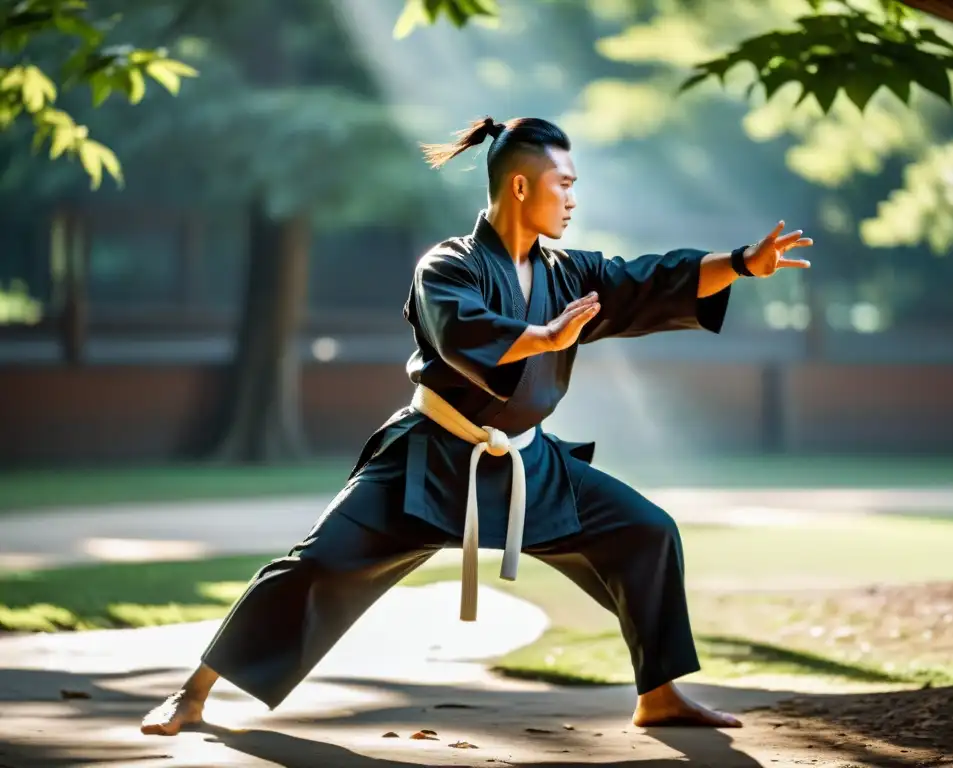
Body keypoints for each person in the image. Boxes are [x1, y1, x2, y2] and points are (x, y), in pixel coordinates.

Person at [141, 115, 812, 737]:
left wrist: (741, 263)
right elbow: (462, 331)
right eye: (564, 184)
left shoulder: (570, 271)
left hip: (528, 465)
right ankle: (194, 691)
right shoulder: (447, 264)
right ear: (521, 186)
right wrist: (540, 335)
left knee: (646, 532)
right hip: (429, 462)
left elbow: (647, 279)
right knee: (316, 565)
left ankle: (658, 696)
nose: (574, 198)